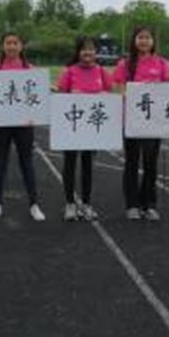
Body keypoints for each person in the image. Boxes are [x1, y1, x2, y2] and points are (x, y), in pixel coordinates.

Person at [112, 26, 169, 221]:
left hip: (154, 123)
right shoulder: (125, 64)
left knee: (150, 165)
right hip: (131, 121)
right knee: (131, 163)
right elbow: (118, 89)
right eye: (140, 37)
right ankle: (132, 205)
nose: (144, 41)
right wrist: (126, 95)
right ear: (134, 40)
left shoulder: (162, 63)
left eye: (147, 37)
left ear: (153, 41)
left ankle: (149, 204)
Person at [0, 32, 46, 223]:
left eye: (15, 43)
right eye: (8, 43)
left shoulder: (31, 70)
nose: (11, 46)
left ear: (21, 46)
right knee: (0, 163)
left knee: (26, 163)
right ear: (3, 46)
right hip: (1, 125)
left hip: (24, 124)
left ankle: (34, 204)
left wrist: (35, 116)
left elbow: (38, 99)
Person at [56, 35, 112, 222]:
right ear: (78, 52)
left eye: (91, 49)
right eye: (84, 48)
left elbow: (111, 96)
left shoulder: (102, 72)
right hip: (72, 127)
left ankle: (87, 204)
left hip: (92, 129)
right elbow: (59, 96)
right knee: (70, 164)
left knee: (88, 165)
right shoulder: (69, 71)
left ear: (96, 52)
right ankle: (70, 204)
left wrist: (103, 94)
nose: (88, 52)